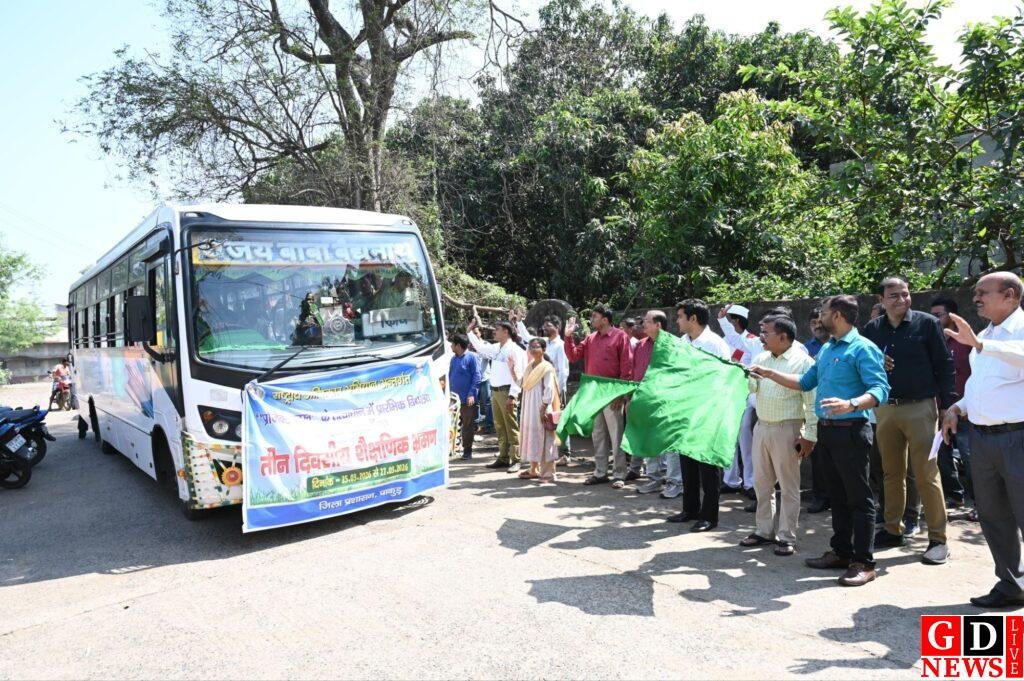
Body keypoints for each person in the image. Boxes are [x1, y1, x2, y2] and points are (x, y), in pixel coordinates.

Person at [751, 295, 889, 586]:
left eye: (824, 312)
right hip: (827, 430)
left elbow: (880, 389)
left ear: (836, 315)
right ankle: (841, 552)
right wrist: (769, 373)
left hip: (852, 429)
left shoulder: (863, 347)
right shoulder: (827, 349)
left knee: (859, 498)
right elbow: (804, 383)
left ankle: (864, 562)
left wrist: (852, 403)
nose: (818, 317)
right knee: (836, 495)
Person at [940, 272, 1024, 608]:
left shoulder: (1011, 332)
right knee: (992, 515)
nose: (976, 298)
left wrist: (978, 344)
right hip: (983, 438)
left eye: (982, 292)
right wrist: (957, 408)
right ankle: (1011, 584)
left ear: (1009, 295)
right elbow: (982, 384)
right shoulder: (985, 334)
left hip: (1018, 436)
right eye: (975, 292)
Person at [863, 275, 953, 565]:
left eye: (905, 294)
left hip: (921, 407)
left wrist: (946, 406)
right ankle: (892, 529)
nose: (901, 299)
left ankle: (938, 539)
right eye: (894, 295)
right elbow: (865, 367)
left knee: (927, 473)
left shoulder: (926, 323)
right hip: (886, 408)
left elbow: (944, 364)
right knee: (891, 473)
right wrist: (877, 364)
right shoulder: (872, 329)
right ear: (881, 300)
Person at [742, 315, 818, 556]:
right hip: (762, 426)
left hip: (789, 428)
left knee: (788, 486)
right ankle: (763, 530)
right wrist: (744, 376)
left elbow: (812, 402)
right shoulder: (761, 357)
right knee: (761, 484)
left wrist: (809, 434)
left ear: (783, 336)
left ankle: (786, 536)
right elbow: (753, 389)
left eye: (767, 333)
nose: (761, 336)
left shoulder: (803, 362)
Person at [668, 299, 732, 532]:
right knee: (688, 463)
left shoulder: (716, 344)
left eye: (680, 317)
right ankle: (690, 509)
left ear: (693, 318)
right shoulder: (682, 342)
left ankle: (709, 516)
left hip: (708, 411)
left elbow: (724, 379)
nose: (677, 321)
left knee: (708, 466)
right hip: (686, 410)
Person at [564, 304, 633, 487]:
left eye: (594, 316)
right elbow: (573, 356)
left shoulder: (620, 336)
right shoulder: (590, 338)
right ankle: (600, 472)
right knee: (598, 434)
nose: (591, 319)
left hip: (612, 393)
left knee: (616, 434)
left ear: (605, 319)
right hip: (594, 394)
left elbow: (627, 366)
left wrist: (621, 394)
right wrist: (568, 336)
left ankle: (619, 474)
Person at [931, 296, 974, 514]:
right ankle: (955, 497)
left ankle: (980, 506)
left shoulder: (968, 341)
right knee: (942, 457)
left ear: (953, 315)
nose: (935, 320)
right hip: (940, 411)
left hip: (967, 412)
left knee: (971, 459)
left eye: (939, 315)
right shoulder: (934, 342)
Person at [467, 319, 527, 473]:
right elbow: (480, 348)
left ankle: (516, 459)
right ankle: (503, 457)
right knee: (500, 425)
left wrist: (513, 396)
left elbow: (518, 375)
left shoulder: (514, 350)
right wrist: (469, 332)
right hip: (495, 391)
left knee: (511, 426)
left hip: (507, 392)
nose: (494, 332)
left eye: (497, 329)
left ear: (506, 332)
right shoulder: (496, 348)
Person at [512, 310, 573, 461]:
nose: (545, 327)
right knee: (546, 422)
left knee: (557, 419)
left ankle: (565, 453)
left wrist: (558, 392)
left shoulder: (561, 345)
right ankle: (547, 453)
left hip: (556, 388)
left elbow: (563, 371)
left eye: (548, 324)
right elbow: (527, 338)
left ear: (557, 326)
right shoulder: (543, 341)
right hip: (542, 389)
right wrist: (519, 322)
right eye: (544, 324)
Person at [717, 304, 763, 499]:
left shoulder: (753, 341)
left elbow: (755, 367)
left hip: (746, 394)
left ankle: (750, 482)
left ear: (735, 320)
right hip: (727, 394)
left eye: (728, 320)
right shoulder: (723, 341)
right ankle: (731, 480)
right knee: (728, 437)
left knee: (745, 437)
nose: (724, 324)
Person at [632, 311, 681, 496]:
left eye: (646, 321)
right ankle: (653, 479)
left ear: (658, 325)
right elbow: (635, 371)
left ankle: (675, 483)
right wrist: (633, 398)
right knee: (648, 441)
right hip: (645, 399)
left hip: (666, 400)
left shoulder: (672, 345)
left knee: (669, 443)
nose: (643, 324)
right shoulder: (640, 345)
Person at [508, 337, 562, 483]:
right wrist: (513, 371)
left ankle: (549, 474)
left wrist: (543, 408)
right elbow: (522, 383)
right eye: (531, 347)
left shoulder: (547, 368)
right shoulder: (530, 366)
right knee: (533, 437)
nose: (532, 349)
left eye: (536, 347)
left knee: (545, 438)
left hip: (541, 406)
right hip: (529, 407)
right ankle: (533, 469)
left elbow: (549, 389)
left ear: (543, 350)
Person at [806, 307, 831, 514]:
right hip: (814, 408)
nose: (817, 326)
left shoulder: (840, 345)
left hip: (841, 409)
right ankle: (820, 496)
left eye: (820, 321)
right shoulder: (806, 349)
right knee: (818, 457)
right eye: (813, 323)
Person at [448, 335, 481, 460]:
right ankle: (454, 449)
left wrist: (472, 394)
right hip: (454, 400)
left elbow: (477, 377)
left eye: (452, 344)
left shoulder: (472, 357)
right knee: (454, 425)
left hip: (467, 399)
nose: (451, 346)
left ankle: (467, 450)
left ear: (458, 345)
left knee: (467, 426)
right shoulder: (453, 359)